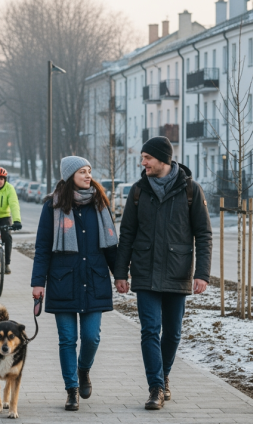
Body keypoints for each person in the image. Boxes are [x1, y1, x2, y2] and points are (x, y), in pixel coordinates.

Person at [113, 136, 212, 410]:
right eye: (142, 158)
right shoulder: (138, 191)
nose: (142, 163)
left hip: (177, 271)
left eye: (147, 158)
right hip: (145, 272)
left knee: (173, 334)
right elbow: (127, 234)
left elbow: (204, 234)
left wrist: (202, 273)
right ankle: (156, 387)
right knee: (149, 330)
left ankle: (163, 375)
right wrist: (120, 273)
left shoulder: (191, 190)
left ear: (163, 160)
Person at [30, 156, 118, 412]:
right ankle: (71, 390)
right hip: (63, 281)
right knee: (67, 339)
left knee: (91, 337)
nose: (88, 175)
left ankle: (83, 369)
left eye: (89, 171)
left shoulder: (100, 203)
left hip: (94, 279)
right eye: (82, 171)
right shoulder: (53, 206)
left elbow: (111, 246)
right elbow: (42, 247)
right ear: (70, 176)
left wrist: (120, 275)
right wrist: (38, 282)